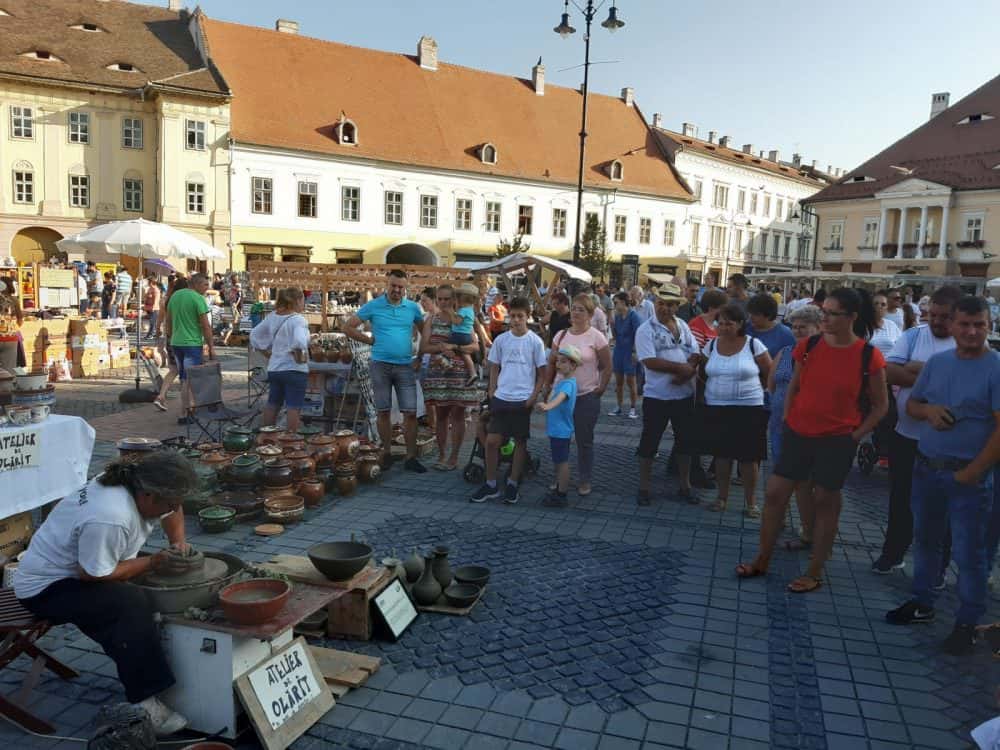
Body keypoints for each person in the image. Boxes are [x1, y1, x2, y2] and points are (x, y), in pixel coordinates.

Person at [14, 453, 199, 737]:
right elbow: (93, 575)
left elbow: (174, 509)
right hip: (45, 588)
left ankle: (148, 664)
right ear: (148, 494)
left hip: (81, 566)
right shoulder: (110, 516)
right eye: (168, 503)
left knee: (145, 584)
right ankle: (145, 700)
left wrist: (179, 544)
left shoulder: (134, 481)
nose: (174, 508)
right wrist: (152, 562)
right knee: (130, 604)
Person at [737, 288, 888, 592]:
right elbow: (793, 386)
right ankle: (762, 558)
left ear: (852, 317)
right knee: (776, 494)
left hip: (837, 440)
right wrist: (790, 419)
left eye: (833, 314)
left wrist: (855, 436)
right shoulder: (808, 346)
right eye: (825, 312)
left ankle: (815, 570)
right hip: (799, 433)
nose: (826, 318)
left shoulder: (868, 355)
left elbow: (881, 405)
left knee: (825, 502)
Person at [885, 296, 1000, 656]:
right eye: (964, 324)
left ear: (989, 326)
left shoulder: (996, 367)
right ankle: (922, 602)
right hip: (927, 467)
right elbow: (913, 404)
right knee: (926, 541)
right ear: (952, 327)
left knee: (970, 553)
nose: (971, 331)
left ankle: (966, 622)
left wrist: (973, 472)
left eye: (979, 325)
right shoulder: (938, 362)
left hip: (969, 477)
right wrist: (929, 411)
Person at [872, 285, 962, 574]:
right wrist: (934, 373)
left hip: (948, 443)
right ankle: (893, 553)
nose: (935, 321)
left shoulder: (968, 344)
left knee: (943, 507)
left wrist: (916, 370)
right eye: (931, 314)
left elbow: (965, 390)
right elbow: (890, 372)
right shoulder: (913, 335)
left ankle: (938, 565)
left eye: (944, 317)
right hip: (906, 435)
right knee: (901, 499)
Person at [343, 269, 426, 472]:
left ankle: (410, 457)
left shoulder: (413, 308)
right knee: (383, 411)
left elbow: (426, 332)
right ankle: (387, 452)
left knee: (411, 413)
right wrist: (368, 339)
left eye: (400, 286)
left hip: (405, 365)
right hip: (380, 365)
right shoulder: (374, 305)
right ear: (386, 285)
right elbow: (348, 327)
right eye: (393, 285)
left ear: (406, 287)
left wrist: (421, 358)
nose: (396, 290)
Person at [469, 296, 546, 504]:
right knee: (493, 440)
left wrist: (533, 396)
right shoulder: (502, 340)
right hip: (502, 397)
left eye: (520, 316)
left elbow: (542, 373)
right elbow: (494, 366)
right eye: (512, 316)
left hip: (522, 399)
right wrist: (492, 391)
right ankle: (491, 483)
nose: (516, 320)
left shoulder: (535, 342)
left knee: (520, 442)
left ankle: (512, 483)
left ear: (527, 317)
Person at [699, 303, 772, 517]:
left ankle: (751, 503)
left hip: (748, 408)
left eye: (728, 323)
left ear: (740, 324)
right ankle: (722, 498)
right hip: (718, 406)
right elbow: (703, 371)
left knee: (748, 458)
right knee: (722, 456)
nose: (723, 327)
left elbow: (769, 372)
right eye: (719, 323)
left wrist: (759, 390)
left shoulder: (753, 345)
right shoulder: (711, 345)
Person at [634, 283, 700, 506]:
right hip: (657, 396)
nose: (665, 308)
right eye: (662, 303)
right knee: (649, 442)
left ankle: (685, 485)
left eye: (670, 305)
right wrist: (680, 369)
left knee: (685, 442)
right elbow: (649, 361)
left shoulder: (682, 324)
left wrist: (688, 369)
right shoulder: (645, 330)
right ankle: (644, 487)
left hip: (683, 394)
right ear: (655, 302)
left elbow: (695, 352)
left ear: (676, 306)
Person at [543, 294, 612, 496]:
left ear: (590, 314)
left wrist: (601, 387)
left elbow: (607, 366)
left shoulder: (597, 337)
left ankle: (584, 479)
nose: (576, 312)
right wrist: (547, 385)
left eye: (581, 309)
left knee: (584, 440)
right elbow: (551, 363)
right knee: (559, 438)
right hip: (561, 395)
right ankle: (560, 477)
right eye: (574, 308)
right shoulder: (561, 336)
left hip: (585, 395)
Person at [768, 305, 823, 550]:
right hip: (779, 426)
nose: (797, 331)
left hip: (805, 429)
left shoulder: (821, 355)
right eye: (795, 326)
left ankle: (809, 529)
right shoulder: (786, 351)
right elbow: (771, 384)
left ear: (818, 328)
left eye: (804, 327)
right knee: (782, 475)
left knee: (803, 482)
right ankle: (782, 519)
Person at [421, 284, 481, 471]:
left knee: (457, 415)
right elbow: (423, 348)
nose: (444, 302)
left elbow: (476, 346)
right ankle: (441, 455)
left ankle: (454, 457)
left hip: (460, 373)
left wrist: (456, 348)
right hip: (439, 373)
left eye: (447, 299)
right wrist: (441, 348)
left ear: (454, 299)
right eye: (440, 299)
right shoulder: (431, 319)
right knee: (441, 415)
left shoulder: (462, 318)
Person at [251, 287, 310, 433]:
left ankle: (266, 437)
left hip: (275, 368)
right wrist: (299, 353)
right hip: (294, 369)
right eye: (303, 300)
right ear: (297, 300)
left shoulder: (272, 316)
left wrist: (268, 353)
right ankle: (290, 440)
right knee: (293, 406)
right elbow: (299, 342)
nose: (304, 303)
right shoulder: (298, 320)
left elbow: (254, 335)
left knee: (273, 404)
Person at [165, 272, 214, 425]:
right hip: (192, 343)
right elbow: (206, 325)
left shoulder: (175, 296)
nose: (207, 288)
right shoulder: (198, 299)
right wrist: (211, 346)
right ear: (197, 284)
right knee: (188, 379)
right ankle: (184, 412)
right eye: (205, 285)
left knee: (184, 378)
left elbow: (168, 320)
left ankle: (189, 408)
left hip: (176, 342)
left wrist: (171, 336)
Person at [537, 344, 581, 507]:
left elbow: (560, 398)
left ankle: (562, 494)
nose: (558, 365)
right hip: (557, 430)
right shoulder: (563, 381)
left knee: (562, 463)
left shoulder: (568, 384)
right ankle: (559, 489)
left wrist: (548, 406)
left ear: (573, 365)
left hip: (561, 431)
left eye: (563, 362)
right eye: (558, 361)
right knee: (558, 461)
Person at [153, 276, 186, 412]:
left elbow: (160, 319)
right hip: (183, 338)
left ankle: (161, 396)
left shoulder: (165, 300)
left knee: (173, 370)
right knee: (185, 372)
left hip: (169, 337)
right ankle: (186, 406)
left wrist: (157, 332)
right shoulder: (183, 300)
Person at [608, 292, 641, 419]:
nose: (614, 305)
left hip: (630, 351)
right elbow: (616, 337)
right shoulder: (617, 316)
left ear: (623, 302)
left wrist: (635, 352)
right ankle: (619, 406)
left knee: (631, 381)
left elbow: (638, 335)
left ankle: (633, 408)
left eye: (616, 302)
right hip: (619, 350)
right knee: (619, 381)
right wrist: (611, 325)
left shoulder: (633, 316)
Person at [446, 283, 479, 385]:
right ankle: (473, 373)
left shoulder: (464, 310)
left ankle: (448, 363)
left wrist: (451, 312)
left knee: (446, 347)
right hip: (466, 336)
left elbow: (457, 322)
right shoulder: (470, 311)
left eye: (459, 298)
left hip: (459, 335)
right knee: (465, 354)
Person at [869, 291, 903, 356]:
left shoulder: (891, 325)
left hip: (890, 363)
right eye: (876, 303)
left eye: (883, 304)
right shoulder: (864, 325)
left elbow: (901, 346)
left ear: (886, 308)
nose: (879, 306)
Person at [143, 274, 161, 340]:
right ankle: (151, 334)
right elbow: (146, 297)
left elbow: (156, 299)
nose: (147, 282)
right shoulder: (149, 289)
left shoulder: (156, 290)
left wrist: (153, 308)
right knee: (151, 322)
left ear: (151, 282)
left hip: (154, 308)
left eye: (148, 281)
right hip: (149, 308)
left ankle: (151, 334)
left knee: (152, 322)